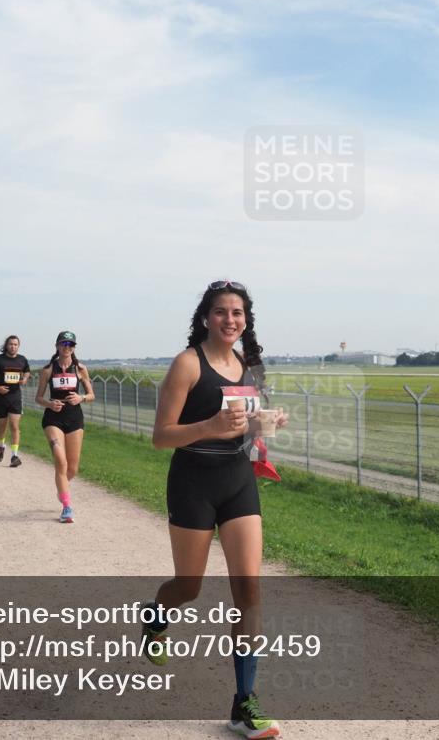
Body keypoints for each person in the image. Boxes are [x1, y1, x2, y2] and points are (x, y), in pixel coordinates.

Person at [146, 281, 287, 739]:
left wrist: (268, 421)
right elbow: (161, 436)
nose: (231, 320)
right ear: (205, 317)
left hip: (238, 481)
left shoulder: (250, 365)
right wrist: (208, 425)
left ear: (247, 320)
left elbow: (247, 429)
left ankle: (243, 703)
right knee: (189, 587)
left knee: (249, 592)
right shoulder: (188, 364)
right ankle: (157, 614)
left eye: (238, 313)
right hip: (193, 483)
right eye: (222, 312)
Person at [34, 331, 95, 523]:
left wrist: (81, 398)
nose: (67, 347)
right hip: (53, 419)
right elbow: (38, 398)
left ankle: (62, 488)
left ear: (74, 347)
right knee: (60, 461)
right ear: (57, 346)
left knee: (72, 468)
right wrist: (50, 404)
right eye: (63, 343)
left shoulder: (81, 369)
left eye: (70, 344)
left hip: (74, 419)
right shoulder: (47, 369)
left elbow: (91, 395)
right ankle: (67, 507)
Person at [0, 335, 31, 467]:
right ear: (6, 345)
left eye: (16, 344)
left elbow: (27, 371)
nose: (13, 346)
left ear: (18, 346)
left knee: (15, 426)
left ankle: (14, 456)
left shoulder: (22, 360)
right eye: (11, 344)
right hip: (1, 398)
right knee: (2, 425)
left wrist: (25, 379)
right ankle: (1, 445)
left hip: (15, 397)